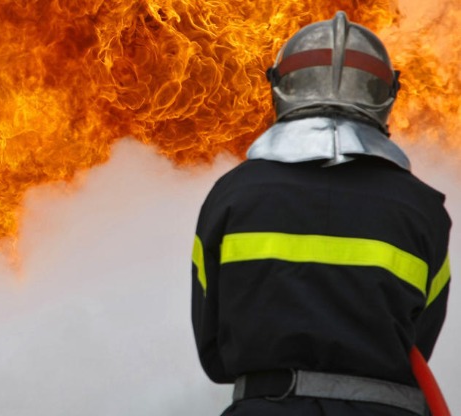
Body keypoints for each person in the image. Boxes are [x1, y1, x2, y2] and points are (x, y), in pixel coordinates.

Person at [191, 11, 451, 416]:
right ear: (386, 95)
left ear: (280, 86)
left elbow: (213, 346)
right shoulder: (423, 209)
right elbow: (418, 342)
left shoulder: (233, 196)